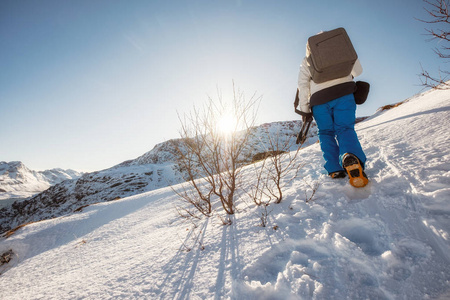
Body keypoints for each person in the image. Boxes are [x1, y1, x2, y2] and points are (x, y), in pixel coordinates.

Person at [294, 31, 369, 188]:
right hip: (344, 94)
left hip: (319, 101)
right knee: (344, 128)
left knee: (326, 132)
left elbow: (303, 86)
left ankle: (335, 169)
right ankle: (350, 156)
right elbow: (358, 71)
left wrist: (305, 110)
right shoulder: (343, 49)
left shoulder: (307, 59)